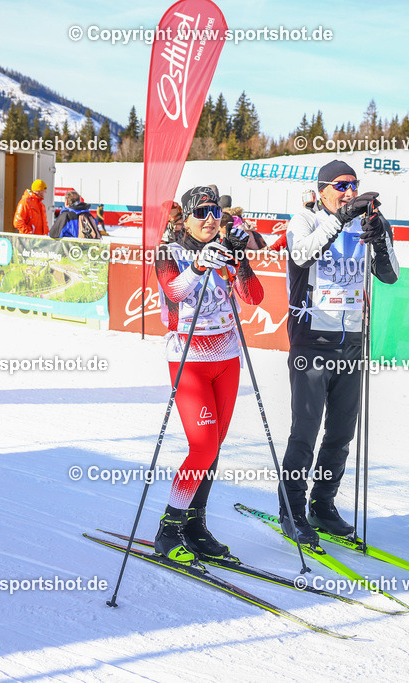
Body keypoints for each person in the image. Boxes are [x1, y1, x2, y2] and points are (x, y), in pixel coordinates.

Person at [280, 160, 399, 545]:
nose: (350, 192)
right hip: (313, 340)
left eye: (354, 186)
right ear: (322, 190)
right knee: (306, 430)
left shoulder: (367, 224)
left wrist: (380, 239)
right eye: (341, 186)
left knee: (342, 432)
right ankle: (292, 508)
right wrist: (340, 219)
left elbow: (390, 274)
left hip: (352, 342)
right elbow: (301, 255)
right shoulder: (304, 220)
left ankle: (323, 504)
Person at [148, 185, 265, 562]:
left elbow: (254, 296)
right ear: (185, 216)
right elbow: (175, 291)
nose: (211, 219)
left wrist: (240, 260)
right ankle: (168, 531)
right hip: (189, 359)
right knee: (202, 446)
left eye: (216, 211)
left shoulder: (226, 248)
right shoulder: (169, 251)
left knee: (213, 450)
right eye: (202, 212)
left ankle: (195, 526)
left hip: (227, 358)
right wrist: (200, 266)